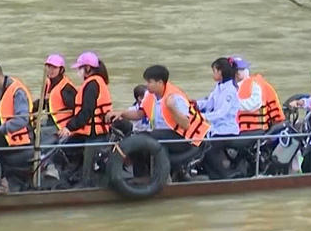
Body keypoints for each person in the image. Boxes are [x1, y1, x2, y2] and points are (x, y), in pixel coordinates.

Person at [117, 65, 210, 174]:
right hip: (162, 134)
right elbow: (139, 114)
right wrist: (121, 113)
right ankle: (141, 179)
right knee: (140, 141)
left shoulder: (175, 97)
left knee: (149, 136)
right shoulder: (150, 95)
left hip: (184, 139)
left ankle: (164, 177)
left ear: (160, 83)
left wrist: (172, 107)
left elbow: (186, 124)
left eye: (149, 82)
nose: (147, 85)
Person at [57, 52, 113, 185]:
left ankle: (87, 183)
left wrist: (69, 127)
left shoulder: (92, 85)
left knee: (88, 171)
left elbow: (86, 112)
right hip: (88, 132)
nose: (78, 71)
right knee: (65, 148)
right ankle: (73, 176)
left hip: (95, 134)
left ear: (88, 68)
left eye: (80, 68)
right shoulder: (94, 82)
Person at [195, 57, 241, 179]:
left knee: (209, 150)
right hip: (215, 129)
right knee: (200, 147)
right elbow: (209, 103)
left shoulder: (230, 90)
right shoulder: (219, 87)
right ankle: (212, 176)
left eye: (214, 71)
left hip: (227, 130)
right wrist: (194, 105)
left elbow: (221, 113)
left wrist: (202, 117)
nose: (213, 74)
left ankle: (224, 176)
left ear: (220, 72)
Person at [233, 56, 284, 131]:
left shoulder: (253, 85)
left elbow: (253, 104)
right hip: (257, 129)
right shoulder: (261, 84)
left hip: (251, 132)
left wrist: (231, 104)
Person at [37, 54, 77, 138]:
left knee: (39, 132)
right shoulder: (48, 84)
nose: (50, 70)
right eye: (49, 67)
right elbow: (42, 104)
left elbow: (77, 110)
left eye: (54, 68)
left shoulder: (66, 88)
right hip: (51, 121)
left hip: (62, 126)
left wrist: (69, 128)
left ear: (61, 70)